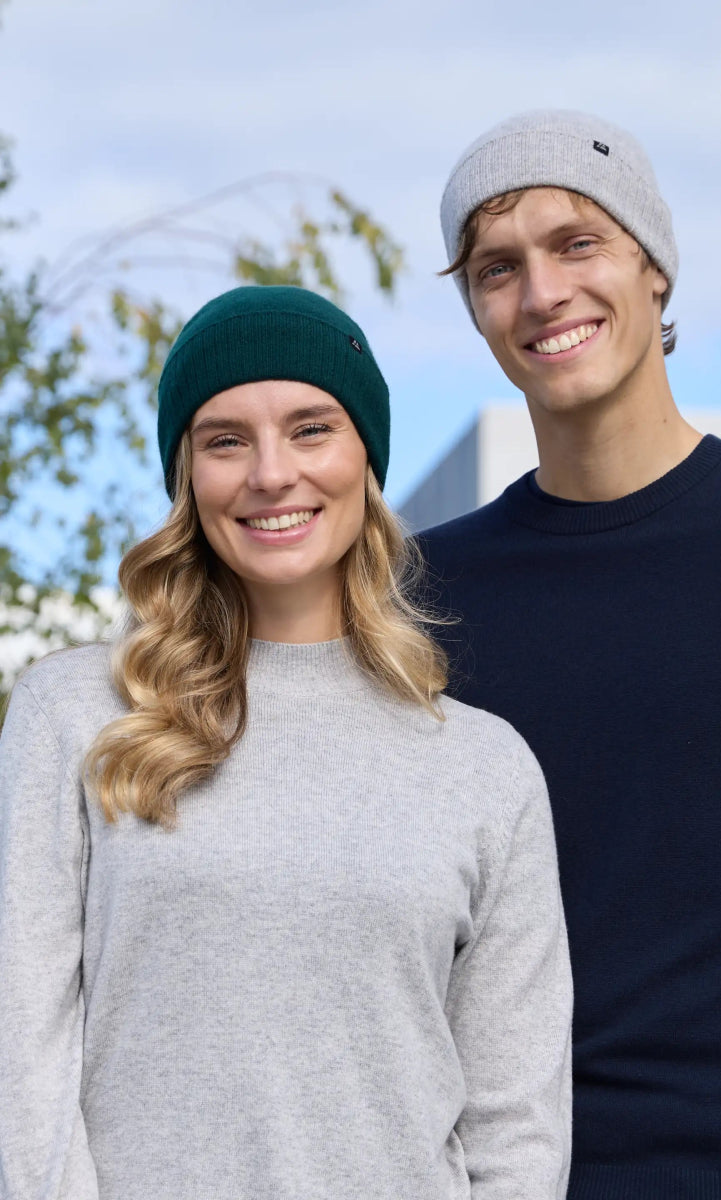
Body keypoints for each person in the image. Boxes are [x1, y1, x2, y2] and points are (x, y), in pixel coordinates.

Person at [0, 285, 572, 1200]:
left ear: (365, 457)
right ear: (187, 476)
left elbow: (517, 1129)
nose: (271, 473)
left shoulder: (483, 768)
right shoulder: (72, 716)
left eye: (311, 429)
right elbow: (19, 1065)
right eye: (225, 440)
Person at [419, 110, 721, 1199]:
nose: (541, 293)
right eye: (496, 268)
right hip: (504, 1175)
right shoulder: (415, 598)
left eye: (577, 244)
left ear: (653, 268)